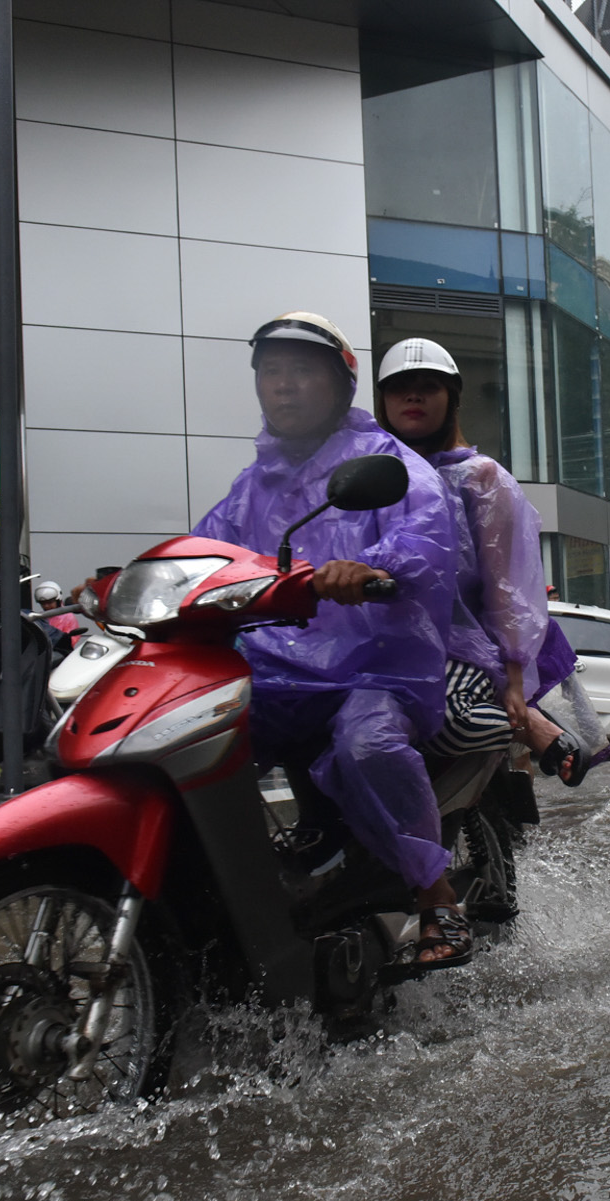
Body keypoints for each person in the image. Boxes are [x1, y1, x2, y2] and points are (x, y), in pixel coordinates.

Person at [191, 313, 469, 967]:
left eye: (302, 371)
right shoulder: (251, 486)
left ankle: (438, 898)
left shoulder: (387, 466)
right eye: (271, 370)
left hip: (375, 666)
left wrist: (375, 569)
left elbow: (425, 536)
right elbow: (207, 549)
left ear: (342, 384)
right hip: (278, 669)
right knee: (192, 735)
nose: (283, 386)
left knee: (364, 741)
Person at [372, 337, 598, 784]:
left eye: (427, 387)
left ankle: (532, 727)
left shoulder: (480, 477)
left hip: (465, 646)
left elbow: (505, 585)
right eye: (400, 388)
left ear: (452, 399)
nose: (412, 396)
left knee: (450, 720)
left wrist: (512, 678)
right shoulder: (374, 470)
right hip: (382, 640)